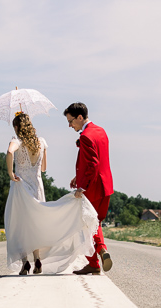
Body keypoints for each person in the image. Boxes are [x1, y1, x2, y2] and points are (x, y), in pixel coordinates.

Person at [4, 112, 98, 275]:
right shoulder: (41, 142)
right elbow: (43, 168)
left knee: (20, 225)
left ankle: (25, 263)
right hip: (37, 186)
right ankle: (38, 260)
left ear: (18, 127)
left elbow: (10, 152)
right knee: (36, 224)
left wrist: (11, 174)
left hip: (21, 188)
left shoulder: (16, 141)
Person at [64, 102, 113, 275]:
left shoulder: (85, 136)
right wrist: (79, 176)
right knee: (95, 222)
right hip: (105, 186)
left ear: (79, 117)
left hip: (92, 187)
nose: (70, 125)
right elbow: (97, 160)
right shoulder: (100, 131)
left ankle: (95, 260)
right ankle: (101, 252)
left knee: (85, 224)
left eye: (71, 121)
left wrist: (82, 186)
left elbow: (93, 163)